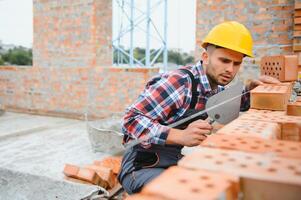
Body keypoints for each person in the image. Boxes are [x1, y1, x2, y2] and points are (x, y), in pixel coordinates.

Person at [117, 21, 280, 194]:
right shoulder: (179, 82)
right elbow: (130, 120)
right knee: (190, 193)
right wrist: (179, 135)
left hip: (171, 162)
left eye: (236, 63)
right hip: (140, 167)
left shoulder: (216, 87)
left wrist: (251, 91)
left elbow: (233, 104)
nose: (230, 70)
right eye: (224, 60)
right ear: (205, 57)